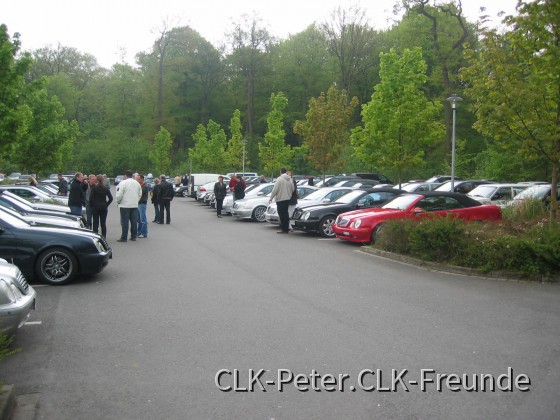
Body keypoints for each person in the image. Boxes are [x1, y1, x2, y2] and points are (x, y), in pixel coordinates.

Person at [115, 170, 142, 242]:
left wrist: (118, 201)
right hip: (134, 204)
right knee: (134, 221)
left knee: (125, 222)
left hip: (125, 205)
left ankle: (124, 237)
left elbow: (119, 194)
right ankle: (133, 236)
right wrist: (136, 200)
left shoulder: (123, 183)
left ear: (125, 175)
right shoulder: (137, 183)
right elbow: (140, 194)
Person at [269, 168, 295, 234]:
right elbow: (293, 189)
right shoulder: (290, 179)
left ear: (280, 172)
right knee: (286, 213)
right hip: (287, 198)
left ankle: (283, 229)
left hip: (280, 198)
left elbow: (275, 189)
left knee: (281, 214)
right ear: (286, 172)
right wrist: (289, 194)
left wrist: (271, 197)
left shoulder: (279, 179)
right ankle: (286, 228)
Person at [136, 174, 149, 238]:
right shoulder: (140, 185)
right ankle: (139, 232)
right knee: (139, 219)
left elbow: (139, 193)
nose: (137, 180)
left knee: (143, 219)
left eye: (138, 179)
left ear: (142, 179)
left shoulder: (145, 186)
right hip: (139, 203)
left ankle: (144, 233)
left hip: (142, 203)